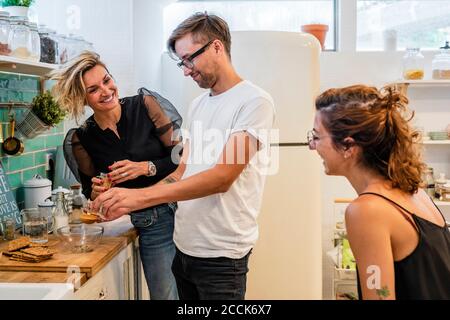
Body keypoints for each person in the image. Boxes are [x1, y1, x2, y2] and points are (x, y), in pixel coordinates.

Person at [93, 12, 275, 300]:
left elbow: (221, 178)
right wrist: (127, 204)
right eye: (182, 63)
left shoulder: (254, 102)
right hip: (184, 249)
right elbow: (181, 172)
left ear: (216, 47)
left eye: (189, 59)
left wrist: (139, 198)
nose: (186, 70)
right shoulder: (199, 104)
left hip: (222, 258)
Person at [50, 51, 181, 300]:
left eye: (107, 81)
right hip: (125, 221)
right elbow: (91, 190)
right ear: (83, 98)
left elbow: (180, 157)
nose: (106, 91)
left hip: (168, 212)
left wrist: (146, 167)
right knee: (163, 296)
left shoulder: (144, 105)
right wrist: (98, 190)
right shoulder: (82, 137)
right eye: (94, 89)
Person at [309, 84, 450, 300]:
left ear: (348, 146)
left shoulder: (367, 211)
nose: (311, 145)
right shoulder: (412, 191)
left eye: (317, 137)